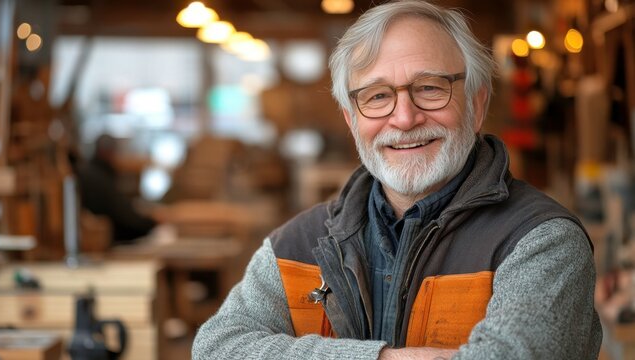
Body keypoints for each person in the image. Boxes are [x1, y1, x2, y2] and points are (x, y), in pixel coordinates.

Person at [192, 1, 602, 359]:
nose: (404, 119)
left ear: (477, 106)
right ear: (352, 121)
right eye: (376, 96)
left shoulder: (540, 242)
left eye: (429, 88)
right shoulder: (296, 245)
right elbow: (217, 347)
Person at [76, 134, 158, 244]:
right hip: (107, 244)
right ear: (109, 152)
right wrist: (153, 222)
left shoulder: (90, 172)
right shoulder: (100, 178)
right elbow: (128, 219)